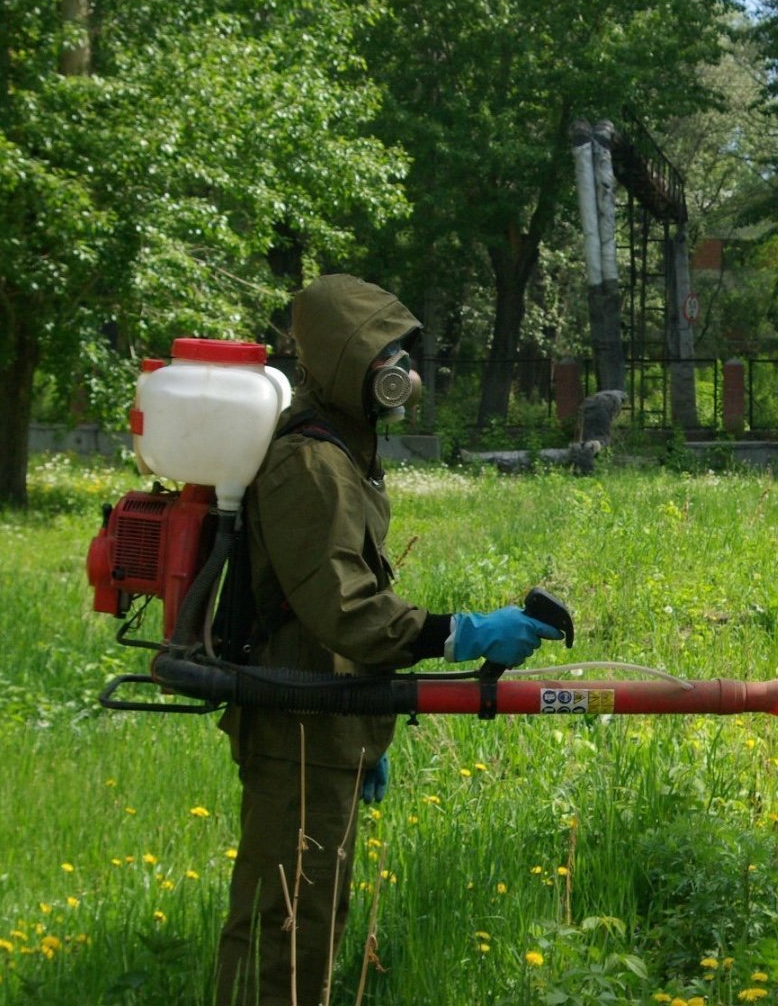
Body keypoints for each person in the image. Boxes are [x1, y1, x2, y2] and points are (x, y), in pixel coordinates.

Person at [214, 274, 562, 1005]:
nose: (402, 372)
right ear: (347, 362)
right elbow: (345, 609)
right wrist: (459, 633)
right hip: (298, 726)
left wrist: (366, 733)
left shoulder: (342, 452)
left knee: (312, 918)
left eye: (404, 353)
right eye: (386, 354)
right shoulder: (311, 464)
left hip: (325, 722)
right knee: (285, 932)